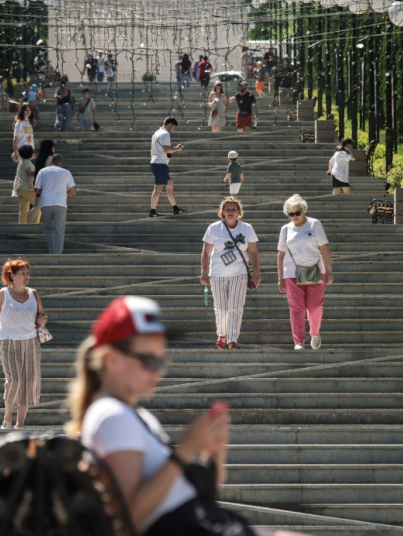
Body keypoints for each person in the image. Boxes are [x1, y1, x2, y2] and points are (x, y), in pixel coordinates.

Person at [67, 296, 306, 536]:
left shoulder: (129, 415)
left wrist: (213, 453)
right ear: (113, 360)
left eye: (161, 360)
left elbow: (197, 493)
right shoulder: (112, 416)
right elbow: (129, 520)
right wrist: (185, 451)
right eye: (149, 361)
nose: (158, 371)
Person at [0, 258, 47, 429]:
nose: (26, 276)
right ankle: (7, 417)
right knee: (14, 380)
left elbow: (42, 315)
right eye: (22, 273)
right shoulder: (3, 294)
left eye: (27, 273)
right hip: (7, 341)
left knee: (29, 382)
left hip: (31, 342)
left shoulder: (33, 294)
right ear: (12, 276)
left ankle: (19, 424)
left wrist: (43, 319)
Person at [201, 197, 261, 350]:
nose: (230, 212)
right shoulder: (214, 228)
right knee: (221, 307)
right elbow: (206, 252)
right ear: (222, 212)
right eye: (227, 209)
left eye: (233, 209)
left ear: (239, 212)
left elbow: (253, 252)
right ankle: (222, 333)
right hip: (218, 273)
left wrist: (256, 272)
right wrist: (204, 272)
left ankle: (232, 339)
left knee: (236, 306)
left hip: (239, 273)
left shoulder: (247, 228)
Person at [277, 194, 333, 351]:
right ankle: (299, 341)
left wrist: (329, 271)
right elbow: (281, 254)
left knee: (314, 306)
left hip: (315, 270)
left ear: (303, 211)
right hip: (292, 273)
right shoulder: (285, 229)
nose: (295, 216)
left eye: (297, 213)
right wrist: (280, 277)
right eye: (291, 214)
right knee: (296, 308)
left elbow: (324, 248)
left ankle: (314, 333)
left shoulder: (314, 224)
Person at [35, 154, 77, 254]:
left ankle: (51, 250)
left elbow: (37, 189)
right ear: (61, 163)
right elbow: (73, 191)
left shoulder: (42, 171)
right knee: (59, 230)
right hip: (60, 203)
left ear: (50, 163)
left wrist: (46, 192)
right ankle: (57, 254)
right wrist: (65, 193)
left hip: (46, 203)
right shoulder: (66, 172)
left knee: (48, 228)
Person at [149, 117, 187, 218]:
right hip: (160, 163)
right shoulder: (165, 134)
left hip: (156, 162)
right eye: (173, 127)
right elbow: (166, 150)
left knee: (170, 185)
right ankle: (152, 212)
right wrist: (177, 149)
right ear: (170, 125)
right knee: (158, 188)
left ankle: (175, 209)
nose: (173, 130)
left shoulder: (156, 133)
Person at [14, 145, 40, 224]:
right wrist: (38, 173)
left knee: (24, 210)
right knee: (38, 205)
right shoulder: (27, 163)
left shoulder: (22, 161)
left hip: (20, 188)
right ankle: (35, 224)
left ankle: (22, 225)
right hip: (27, 188)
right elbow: (28, 172)